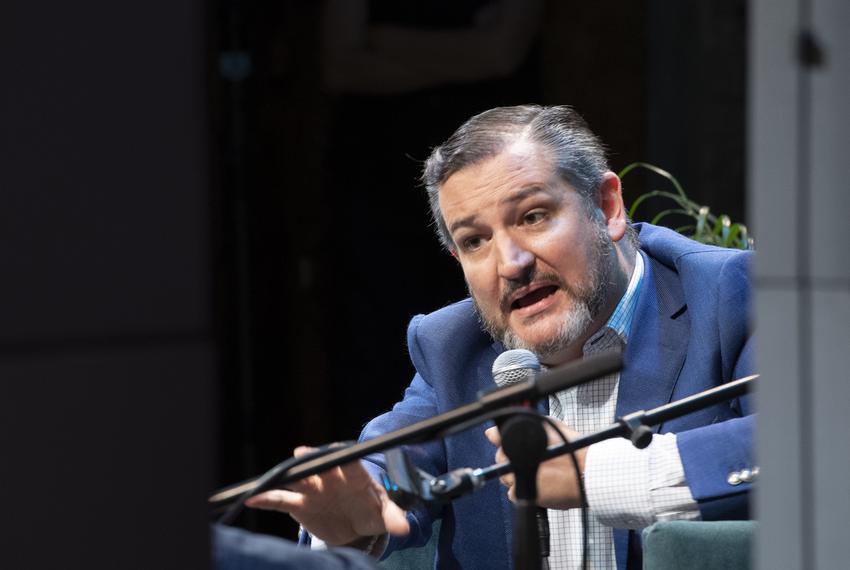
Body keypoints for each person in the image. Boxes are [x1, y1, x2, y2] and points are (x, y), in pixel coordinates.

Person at [246, 105, 755, 569]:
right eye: (475, 241)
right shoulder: (454, 345)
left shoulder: (728, 295)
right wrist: (371, 498)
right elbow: (404, 455)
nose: (510, 264)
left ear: (607, 206)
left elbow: (806, 443)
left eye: (533, 216)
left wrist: (593, 472)